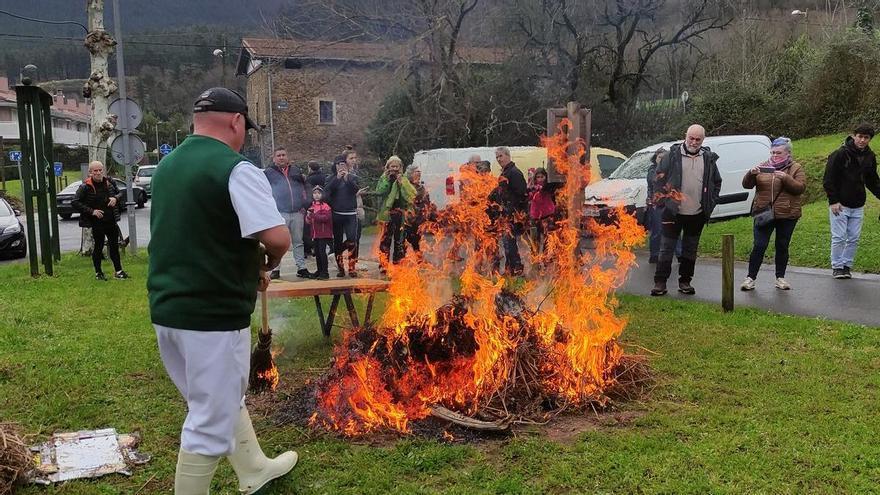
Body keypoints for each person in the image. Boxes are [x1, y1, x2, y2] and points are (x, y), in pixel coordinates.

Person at [147, 87, 297, 494]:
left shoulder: (167, 166)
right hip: (212, 316)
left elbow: (198, 236)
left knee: (219, 398)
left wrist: (246, 263)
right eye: (244, 128)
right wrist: (267, 262)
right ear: (235, 122)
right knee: (208, 425)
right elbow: (278, 236)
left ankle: (253, 468)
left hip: (168, 310)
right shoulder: (235, 168)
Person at [651, 124, 722, 296]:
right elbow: (658, 180)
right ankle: (660, 283)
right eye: (691, 138)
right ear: (685, 136)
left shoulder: (708, 159)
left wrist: (709, 204)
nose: (694, 142)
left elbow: (717, 182)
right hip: (673, 212)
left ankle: (685, 282)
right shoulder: (671, 156)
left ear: (703, 140)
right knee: (666, 248)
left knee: (690, 249)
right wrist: (664, 202)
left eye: (698, 139)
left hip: (696, 213)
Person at [740, 137, 807, 291]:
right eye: (773, 152)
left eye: (779, 153)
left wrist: (786, 178)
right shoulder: (763, 166)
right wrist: (751, 173)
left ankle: (780, 278)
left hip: (788, 214)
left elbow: (800, 188)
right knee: (759, 245)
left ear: (788, 153)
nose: (775, 156)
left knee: (782, 245)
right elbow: (747, 185)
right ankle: (750, 278)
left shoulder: (796, 168)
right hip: (764, 213)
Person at [823, 123, 880, 279]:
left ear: (870, 139)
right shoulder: (840, 154)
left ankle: (846, 266)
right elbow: (828, 179)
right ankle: (837, 266)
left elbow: (872, 180)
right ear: (854, 136)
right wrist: (833, 201)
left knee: (854, 237)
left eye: (866, 137)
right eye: (860, 136)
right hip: (840, 204)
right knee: (839, 237)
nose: (862, 140)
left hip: (858, 204)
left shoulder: (870, 156)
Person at [72, 160, 129, 281]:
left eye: (100, 170)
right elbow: (75, 202)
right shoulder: (85, 186)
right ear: (90, 172)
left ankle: (118, 271)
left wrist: (115, 198)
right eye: (95, 171)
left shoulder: (109, 181)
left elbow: (120, 193)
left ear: (103, 171)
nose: (98, 173)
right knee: (98, 246)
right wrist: (92, 211)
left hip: (111, 219)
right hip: (96, 222)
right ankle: (98, 273)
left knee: (114, 246)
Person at [265, 147, 311, 279]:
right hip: (280, 213)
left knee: (298, 241)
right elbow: (263, 192)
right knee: (277, 242)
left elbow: (306, 186)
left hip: (297, 212)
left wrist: (306, 204)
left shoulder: (295, 170)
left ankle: (301, 268)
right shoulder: (269, 173)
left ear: (287, 157)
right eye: (278, 155)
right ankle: (276, 269)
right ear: (274, 158)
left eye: (283, 155)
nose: (281, 157)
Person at [376, 156, 416, 268]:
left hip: (400, 212)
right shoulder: (384, 178)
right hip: (387, 213)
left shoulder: (403, 178)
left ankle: (398, 264)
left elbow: (411, 194)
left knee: (400, 240)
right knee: (385, 240)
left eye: (396, 166)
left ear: (400, 168)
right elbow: (379, 191)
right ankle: (384, 265)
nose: (394, 168)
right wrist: (388, 181)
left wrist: (401, 182)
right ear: (388, 167)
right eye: (392, 166)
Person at [325, 155, 361, 277]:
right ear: (335, 167)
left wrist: (346, 179)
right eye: (338, 165)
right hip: (337, 214)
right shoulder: (330, 178)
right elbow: (326, 193)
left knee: (352, 240)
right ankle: (341, 268)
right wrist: (337, 179)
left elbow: (356, 190)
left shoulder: (352, 177)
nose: (341, 167)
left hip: (350, 214)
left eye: (343, 165)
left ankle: (352, 267)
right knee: (337, 240)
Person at [494, 146, 527, 276]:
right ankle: (510, 269)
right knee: (507, 243)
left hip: (512, 214)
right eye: (497, 157)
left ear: (508, 156)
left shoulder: (514, 172)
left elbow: (522, 193)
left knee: (510, 242)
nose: (498, 159)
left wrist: (516, 213)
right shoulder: (505, 172)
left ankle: (517, 268)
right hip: (505, 214)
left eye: (501, 156)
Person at [646, 148, 681, 263]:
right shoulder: (652, 171)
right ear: (655, 159)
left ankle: (679, 253)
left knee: (674, 229)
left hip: (670, 203)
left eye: (664, 158)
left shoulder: (671, 170)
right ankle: (654, 254)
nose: (661, 160)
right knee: (657, 230)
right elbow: (654, 181)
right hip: (657, 204)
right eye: (659, 158)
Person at [526, 167, 561, 257]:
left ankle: (545, 260)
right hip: (535, 216)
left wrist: (542, 189)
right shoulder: (532, 187)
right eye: (538, 177)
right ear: (535, 178)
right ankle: (536, 260)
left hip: (547, 215)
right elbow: (529, 197)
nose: (540, 179)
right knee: (535, 240)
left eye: (542, 177)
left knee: (547, 240)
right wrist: (532, 190)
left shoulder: (548, 186)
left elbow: (552, 192)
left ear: (546, 177)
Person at [404, 165, 435, 254]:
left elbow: (426, 200)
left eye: (419, 171)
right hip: (410, 218)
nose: (418, 173)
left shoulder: (421, 186)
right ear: (410, 174)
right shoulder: (407, 186)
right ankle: (402, 258)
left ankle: (417, 256)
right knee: (409, 238)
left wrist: (429, 210)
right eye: (416, 171)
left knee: (416, 237)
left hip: (419, 218)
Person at [306, 185, 333, 280]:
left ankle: (325, 272)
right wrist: (308, 216)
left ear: (322, 194)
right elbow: (308, 222)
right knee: (317, 253)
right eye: (314, 193)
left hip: (324, 233)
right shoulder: (312, 206)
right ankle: (319, 270)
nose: (316, 195)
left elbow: (326, 218)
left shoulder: (325, 206)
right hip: (315, 234)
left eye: (319, 193)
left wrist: (313, 215)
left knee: (322, 253)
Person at [303, 161, 327, 257]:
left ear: (310, 168)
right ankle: (323, 248)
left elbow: (308, 192)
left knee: (309, 228)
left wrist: (307, 205)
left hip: (312, 204)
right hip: (323, 203)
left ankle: (309, 248)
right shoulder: (324, 177)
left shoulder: (309, 179)